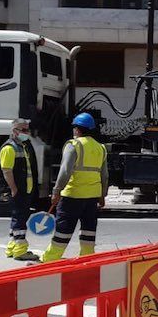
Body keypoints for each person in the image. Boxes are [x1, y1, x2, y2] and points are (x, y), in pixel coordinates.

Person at [41, 112, 108, 262]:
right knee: (88, 232)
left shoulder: (74, 145)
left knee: (62, 232)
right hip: (91, 198)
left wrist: (56, 191)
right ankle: (87, 259)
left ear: (77, 129)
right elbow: (104, 175)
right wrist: (102, 195)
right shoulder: (100, 148)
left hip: (72, 195)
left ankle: (49, 260)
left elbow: (65, 171)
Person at [0, 118, 38, 261]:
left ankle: (12, 247)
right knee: (20, 220)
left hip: (24, 189)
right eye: (23, 130)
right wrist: (14, 189)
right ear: (14, 131)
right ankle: (21, 251)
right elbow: (6, 171)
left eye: (28, 129)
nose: (27, 133)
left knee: (18, 218)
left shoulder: (22, 146)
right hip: (18, 190)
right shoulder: (9, 148)